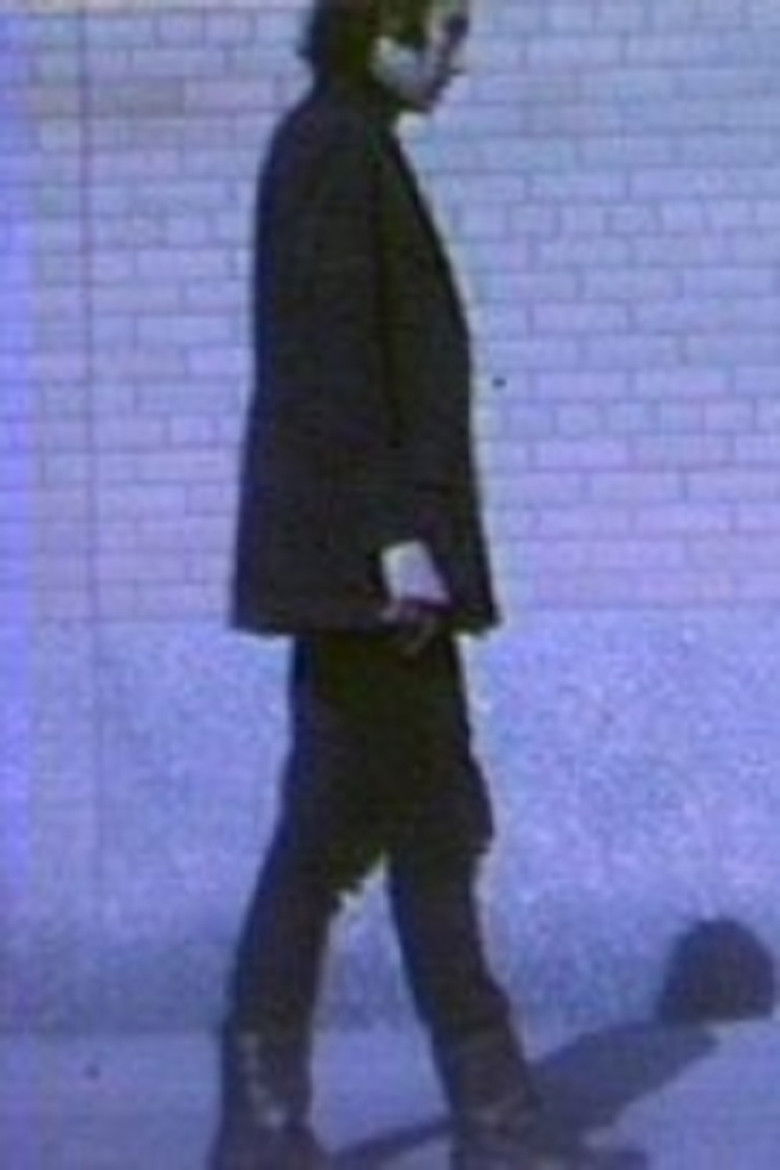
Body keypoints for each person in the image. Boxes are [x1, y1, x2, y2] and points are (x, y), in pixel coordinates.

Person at [212, 2, 563, 1168]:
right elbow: (330, 366)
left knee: (400, 830)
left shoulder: (346, 147)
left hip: (372, 575)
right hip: (373, 577)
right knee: (381, 834)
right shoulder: (335, 152)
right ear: (382, 33)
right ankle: (460, 1128)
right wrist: (396, 538)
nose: (459, 55)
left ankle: (318, 1128)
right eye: (444, 29)